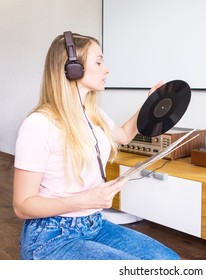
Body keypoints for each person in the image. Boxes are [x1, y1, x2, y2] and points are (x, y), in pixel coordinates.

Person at [12, 31, 180, 260]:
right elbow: (22, 206)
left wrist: (149, 104)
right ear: (73, 68)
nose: (106, 69)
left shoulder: (93, 114)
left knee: (169, 262)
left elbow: (122, 135)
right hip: (51, 237)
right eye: (99, 62)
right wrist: (83, 200)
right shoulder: (39, 124)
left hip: (93, 224)